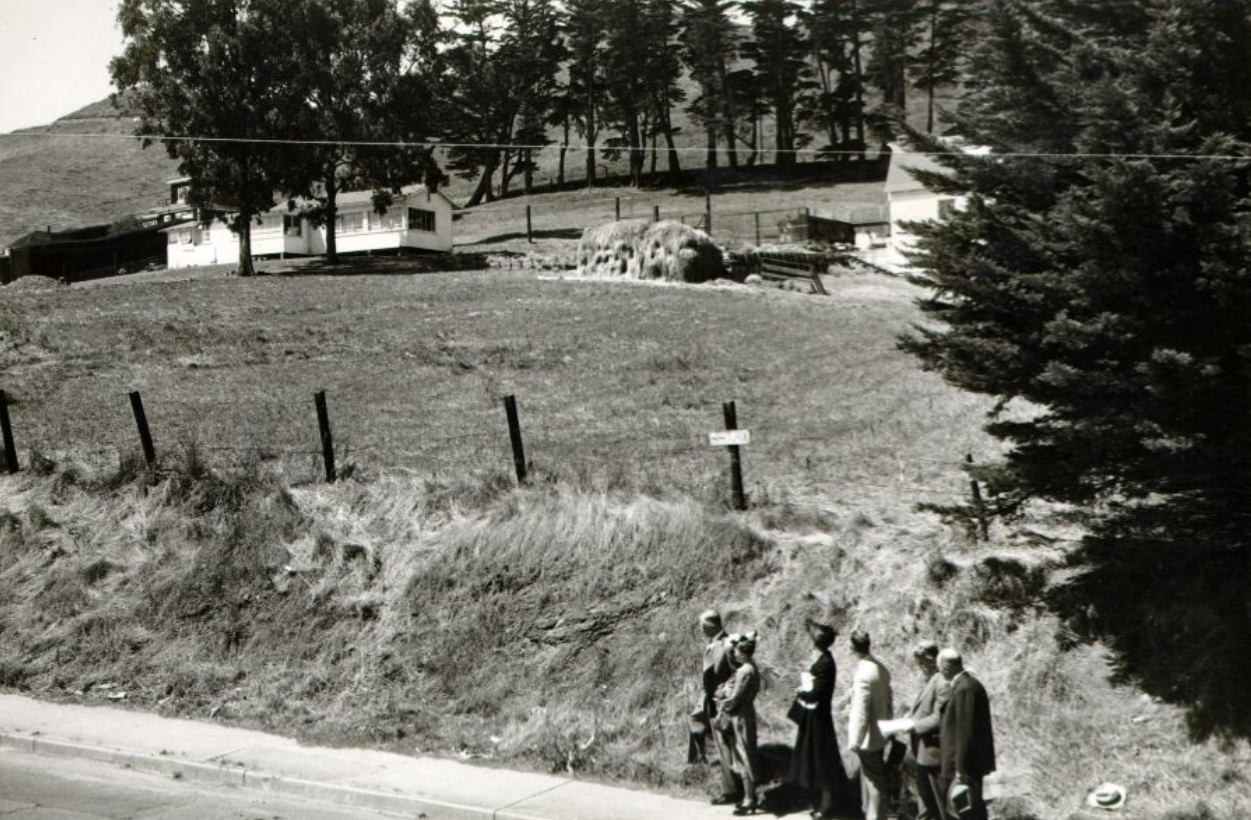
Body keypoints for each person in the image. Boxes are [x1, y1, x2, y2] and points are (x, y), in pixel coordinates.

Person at [787, 619, 847, 818]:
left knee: (822, 761)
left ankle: (826, 804)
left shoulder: (825, 663)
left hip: (818, 719)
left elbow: (816, 694)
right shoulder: (825, 660)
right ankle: (821, 801)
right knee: (816, 759)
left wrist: (801, 692)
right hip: (816, 718)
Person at [937, 649, 996, 820]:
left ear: (947, 667)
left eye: (940, 667)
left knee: (965, 812)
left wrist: (961, 770)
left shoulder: (965, 689)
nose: (939, 672)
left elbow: (965, 731)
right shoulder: (969, 685)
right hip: (969, 766)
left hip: (966, 768)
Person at [847, 629, 893, 820]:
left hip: (868, 737)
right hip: (880, 733)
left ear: (852, 648)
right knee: (871, 780)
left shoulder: (863, 674)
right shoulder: (880, 668)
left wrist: (855, 740)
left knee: (874, 783)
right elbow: (890, 701)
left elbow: (861, 711)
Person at [715, 632, 761, 816]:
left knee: (743, 754)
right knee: (745, 753)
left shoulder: (744, 671)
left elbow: (736, 697)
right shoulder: (752, 667)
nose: (734, 654)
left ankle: (749, 799)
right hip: (746, 713)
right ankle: (748, 796)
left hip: (739, 715)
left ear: (742, 653)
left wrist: (722, 701)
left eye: (736, 651)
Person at [700, 609, 742, 805]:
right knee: (721, 746)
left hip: (724, 704)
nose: (701, 630)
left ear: (711, 625)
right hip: (712, 703)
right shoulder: (712, 643)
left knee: (729, 745)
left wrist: (725, 692)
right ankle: (730, 788)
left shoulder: (727, 644)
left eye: (703, 626)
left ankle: (734, 790)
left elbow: (738, 673)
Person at [907, 641, 951, 820]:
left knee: (941, 806)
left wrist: (913, 725)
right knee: (924, 804)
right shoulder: (931, 680)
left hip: (934, 752)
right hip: (922, 751)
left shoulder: (943, 683)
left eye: (923, 663)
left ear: (932, 660)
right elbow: (923, 709)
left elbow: (939, 718)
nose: (920, 668)